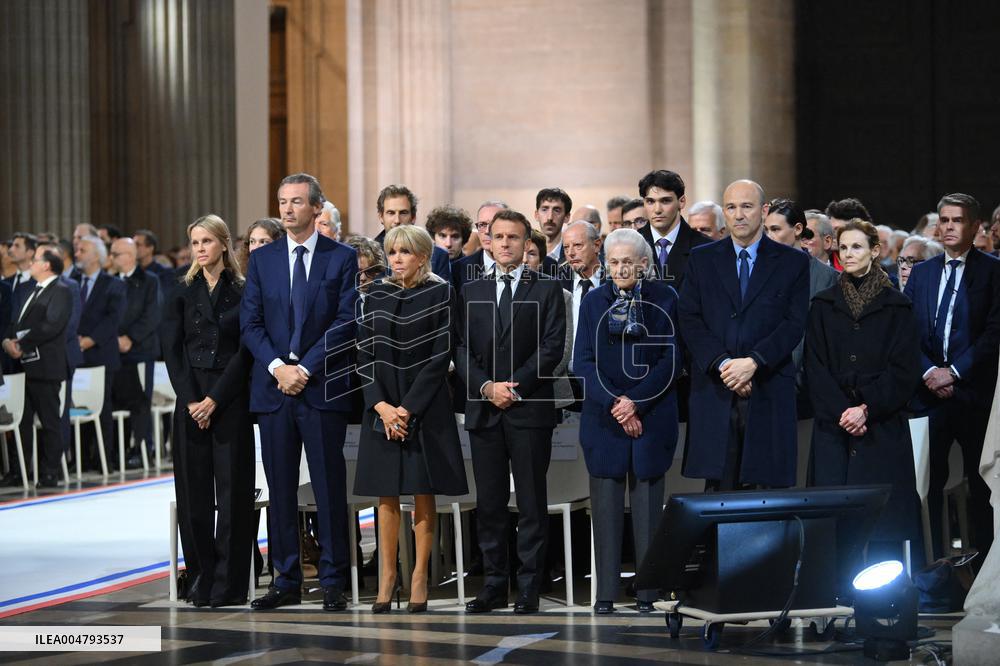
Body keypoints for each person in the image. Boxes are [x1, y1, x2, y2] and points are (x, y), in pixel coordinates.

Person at [241, 173, 358, 612]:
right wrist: (278, 367)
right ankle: (285, 579)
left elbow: (346, 321)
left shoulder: (341, 257)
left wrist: (304, 367)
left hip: (321, 387)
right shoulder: (264, 259)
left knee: (328, 489)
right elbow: (250, 323)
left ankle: (333, 580)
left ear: (316, 208)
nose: (287, 209)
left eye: (296, 202)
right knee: (281, 491)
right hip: (274, 392)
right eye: (282, 202)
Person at [456, 209, 566, 615]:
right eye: (498, 236)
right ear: (488, 240)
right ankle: (493, 585)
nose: (504, 243)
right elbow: (460, 348)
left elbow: (552, 347)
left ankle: (528, 587)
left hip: (529, 410)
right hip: (484, 410)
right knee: (489, 504)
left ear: (525, 243)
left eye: (513, 237)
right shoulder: (471, 290)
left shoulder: (548, 288)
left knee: (533, 504)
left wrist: (513, 387)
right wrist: (486, 387)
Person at [354, 225, 466, 613]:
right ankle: (387, 576)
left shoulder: (441, 292)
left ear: (422, 256)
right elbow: (364, 356)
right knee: (385, 493)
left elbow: (440, 356)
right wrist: (381, 406)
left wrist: (407, 408)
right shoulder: (376, 294)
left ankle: (419, 575)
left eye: (405, 251)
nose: (397, 257)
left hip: (425, 408)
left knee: (422, 491)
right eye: (392, 251)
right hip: (382, 408)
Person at [805, 219, 922, 569]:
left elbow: (904, 369)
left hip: (880, 426)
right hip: (834, 427)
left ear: (874, 250)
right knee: (834, 520)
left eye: (857, 247)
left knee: (884, 519)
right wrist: (844, 410)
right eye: (843, 247)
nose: (849, 254)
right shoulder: (824, 305)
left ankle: (883, 604)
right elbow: (815, 365)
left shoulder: (897, 306)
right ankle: (835, 594)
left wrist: (866, 407)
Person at [574, 228, 679, 614]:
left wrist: (635, 403)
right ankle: (605, 595)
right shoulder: (592, 302)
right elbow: (582, 362)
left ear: (644, 265)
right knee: (605, 512)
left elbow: (671, 360)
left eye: (628, 262)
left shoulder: (666, 298)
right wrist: (618, 405)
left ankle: (648, 593)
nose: (620, 269)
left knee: (650, 510)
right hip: (604, 419)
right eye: (613, 262)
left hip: (651, 417)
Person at [678, 180, 809, 490]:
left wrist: (753, 363)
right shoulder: (701, 259)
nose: (738, 215)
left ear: (764, 211)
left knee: (768, 492)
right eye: (731, 207)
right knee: (719, 494)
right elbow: (689, 318)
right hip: (716, 388)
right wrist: (724, 364)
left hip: (768, 385)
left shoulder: (792, 262)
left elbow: (793, 323)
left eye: (746, 206)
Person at [162, 215, 253, 606]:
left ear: (223, 244)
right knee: (193, 495)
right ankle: (199, 577)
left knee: (233, 496)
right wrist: (192, 400)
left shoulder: (244, 290)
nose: (199, 249)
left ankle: (228, 583)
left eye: (206, 241)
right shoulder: (180, 289)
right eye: (194, 242)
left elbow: (246, 351)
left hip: (230, 399)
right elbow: (172, 349)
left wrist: (215, 399)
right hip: (190, 400)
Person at [904, 193, 1000, 560]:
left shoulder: (993, 272)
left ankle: (984, 567)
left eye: (956, 220)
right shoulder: (923, 273)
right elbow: (906, 331)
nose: (947, 227)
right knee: (927, 485)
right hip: (928, 396)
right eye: (943, 220)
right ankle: (931, 568)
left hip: (974, 396)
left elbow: (994, 333)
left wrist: (954, 372)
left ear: (975, 226)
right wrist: (929, 370)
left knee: (980, 486)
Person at [1, 248, 72, 488]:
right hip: (26, 365)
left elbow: (51, 325)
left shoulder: (61, 290)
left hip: (46, 366)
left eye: (36, 260)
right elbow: (18, 322)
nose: (31, 264)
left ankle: (50, 472)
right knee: (23, 422)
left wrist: (21, 343)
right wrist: (9, 341)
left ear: (47, 266)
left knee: (50, 421)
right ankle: (21, 469)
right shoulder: (32, 290)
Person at [73, 234, 126, 469]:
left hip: (100, 354)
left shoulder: (113, 284)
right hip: (75, 354)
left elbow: (113, 318)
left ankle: (104, 457)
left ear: (96, 255)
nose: (77, 254)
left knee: (102, 408)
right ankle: (80, 458)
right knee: (77, 407)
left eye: (82, 250)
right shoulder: (72, 281)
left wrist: (90, 340)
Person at [109, 238, 162, 468]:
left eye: (116, 253)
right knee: (118, 402)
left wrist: (131, 337)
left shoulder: (149, 280)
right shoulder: (110, 282)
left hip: (140, 351)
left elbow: (153, 313)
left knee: (141, 402)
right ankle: (119, 452)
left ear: (130, 255)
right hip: (115, 354)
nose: (112, 258)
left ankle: (142, 449)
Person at [636, 170, 711, 287]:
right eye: (650, 201)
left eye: (665, 201)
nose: (657, 209)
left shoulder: (706, 248)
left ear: (681, 202)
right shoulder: (628, 245)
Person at [373, 184, 450, 282]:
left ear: (413, 217)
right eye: (391, 213)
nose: (397, 220)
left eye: (403, 213)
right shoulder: (368, 253)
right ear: (381, 217)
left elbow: (444, 294)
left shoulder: (438, 255)